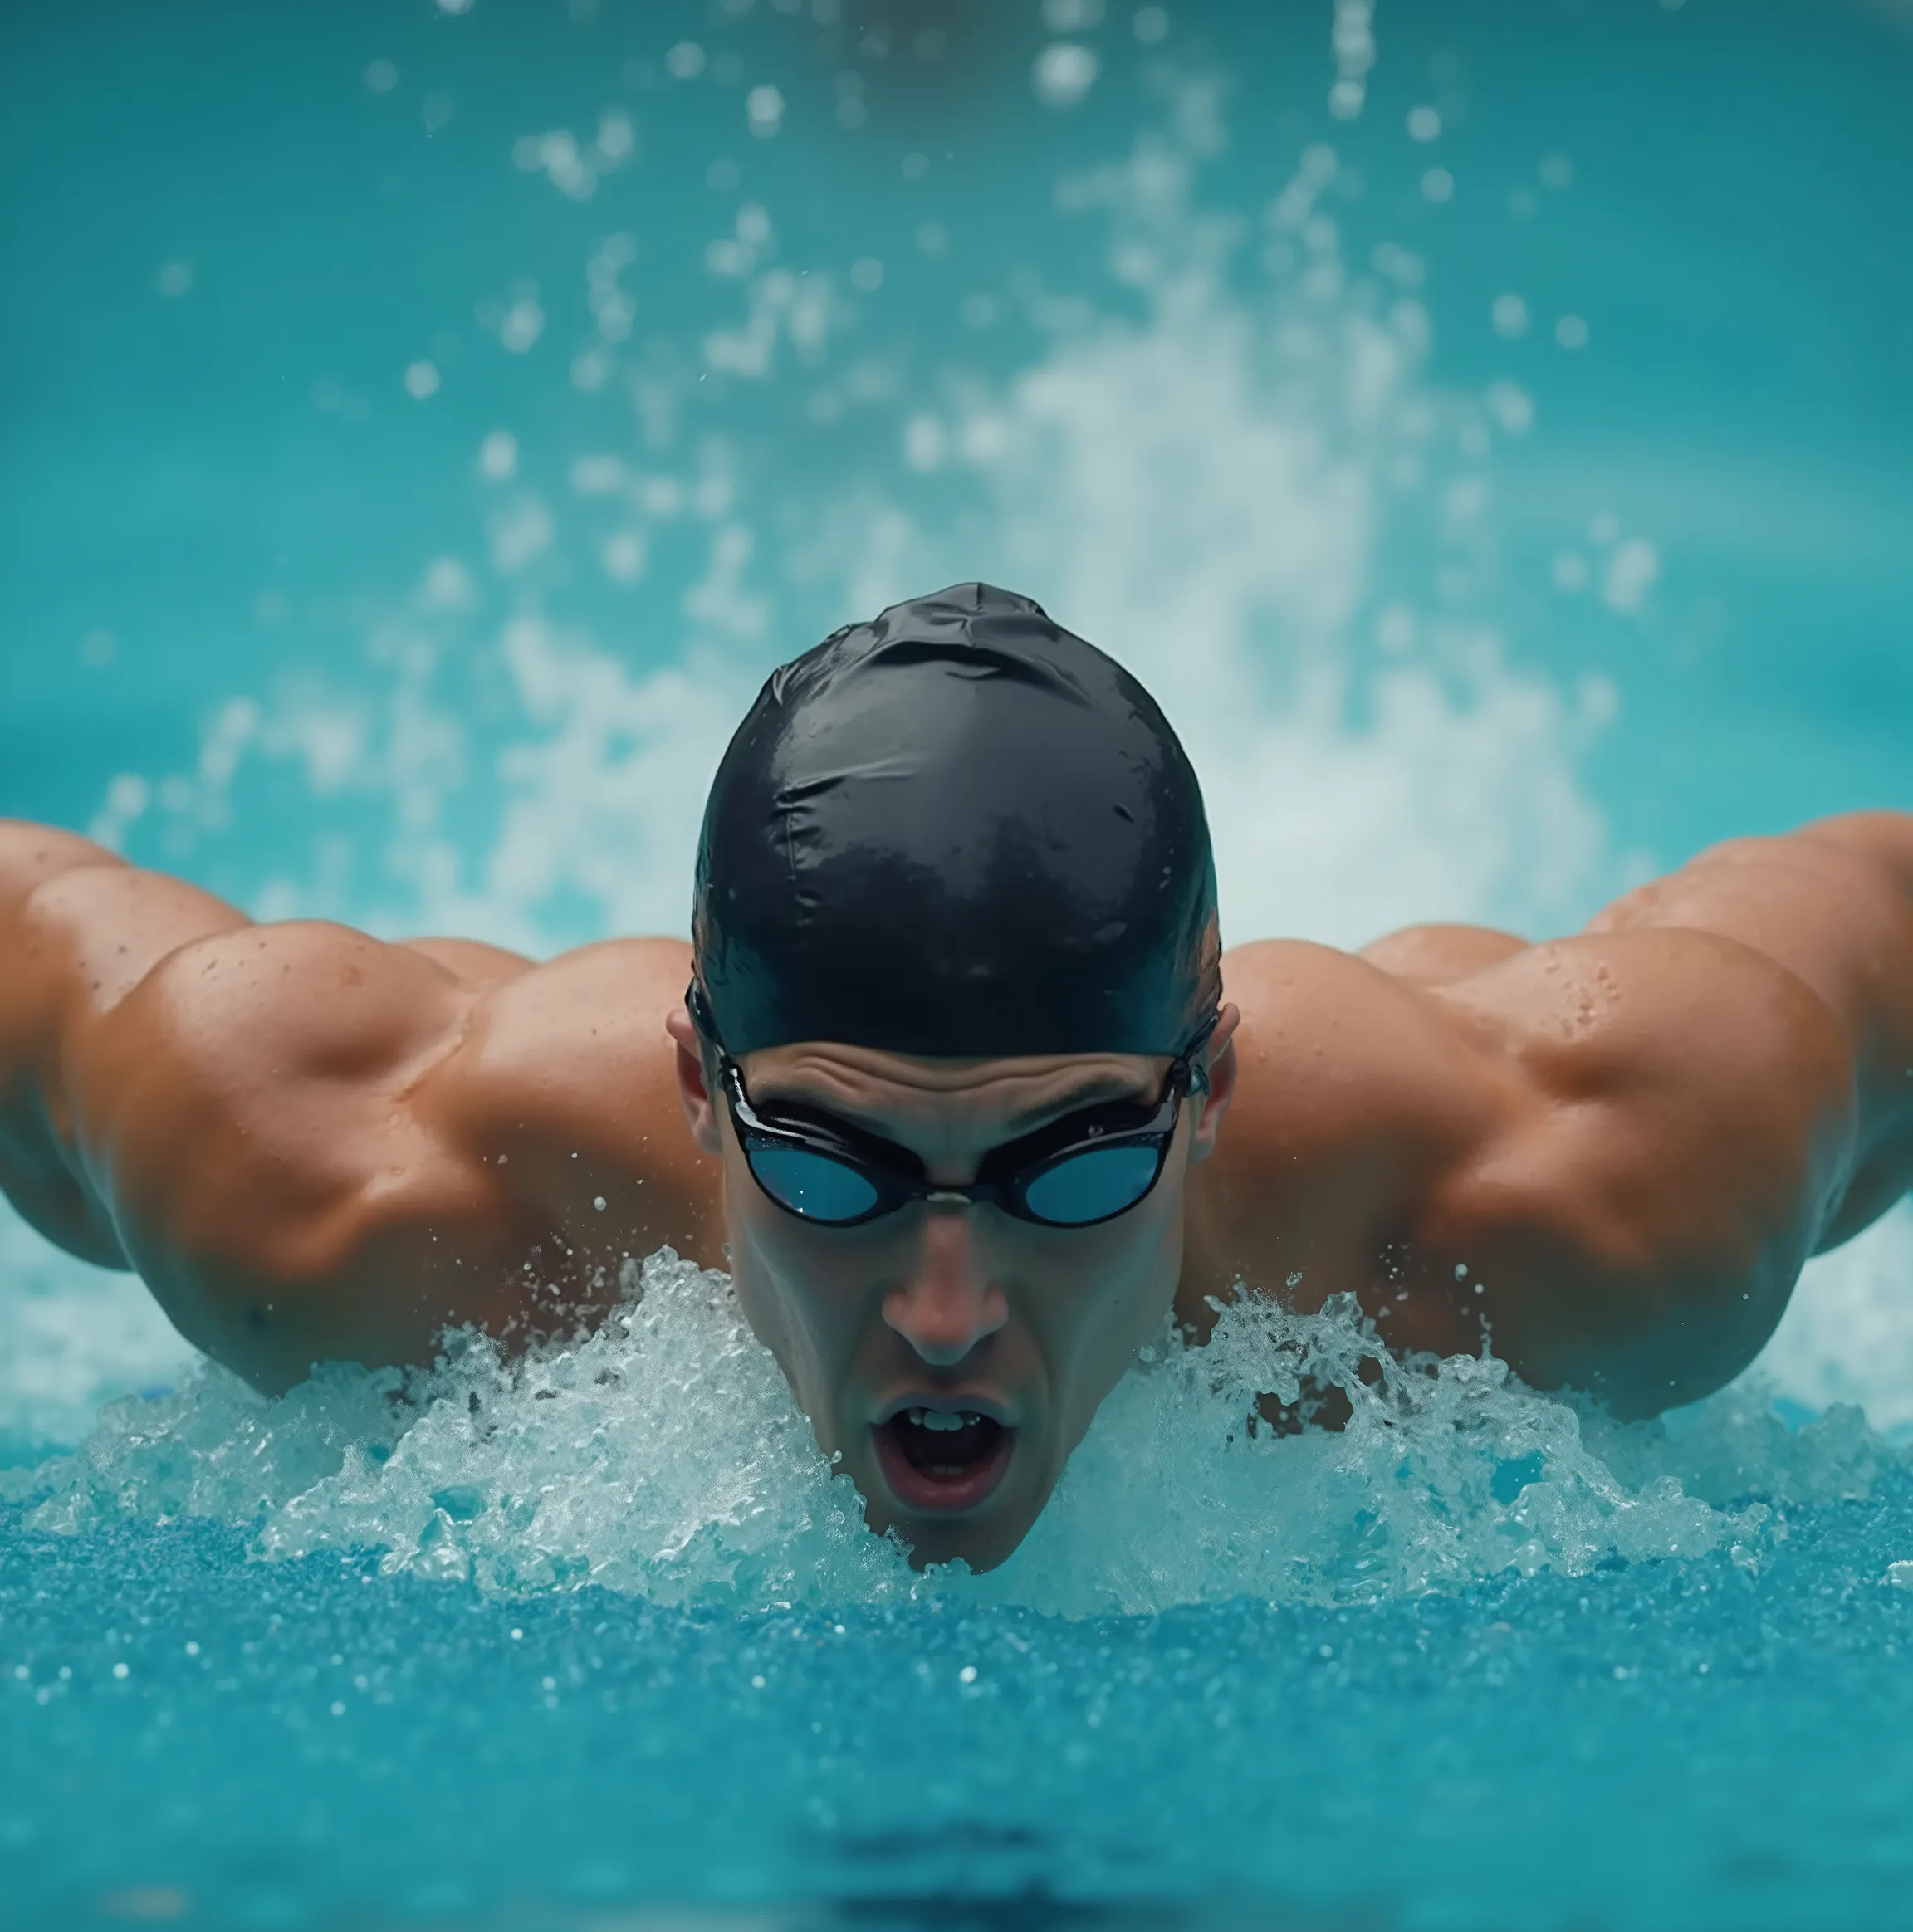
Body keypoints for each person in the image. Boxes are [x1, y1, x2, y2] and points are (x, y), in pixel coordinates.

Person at [3, 584, 1911, 1569]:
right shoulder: (348, 1190)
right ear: (695, 1080)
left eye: (1068, 1168)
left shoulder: (1578, 1198)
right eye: (831, 1168)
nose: (939, 1308)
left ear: (1211, 1084)